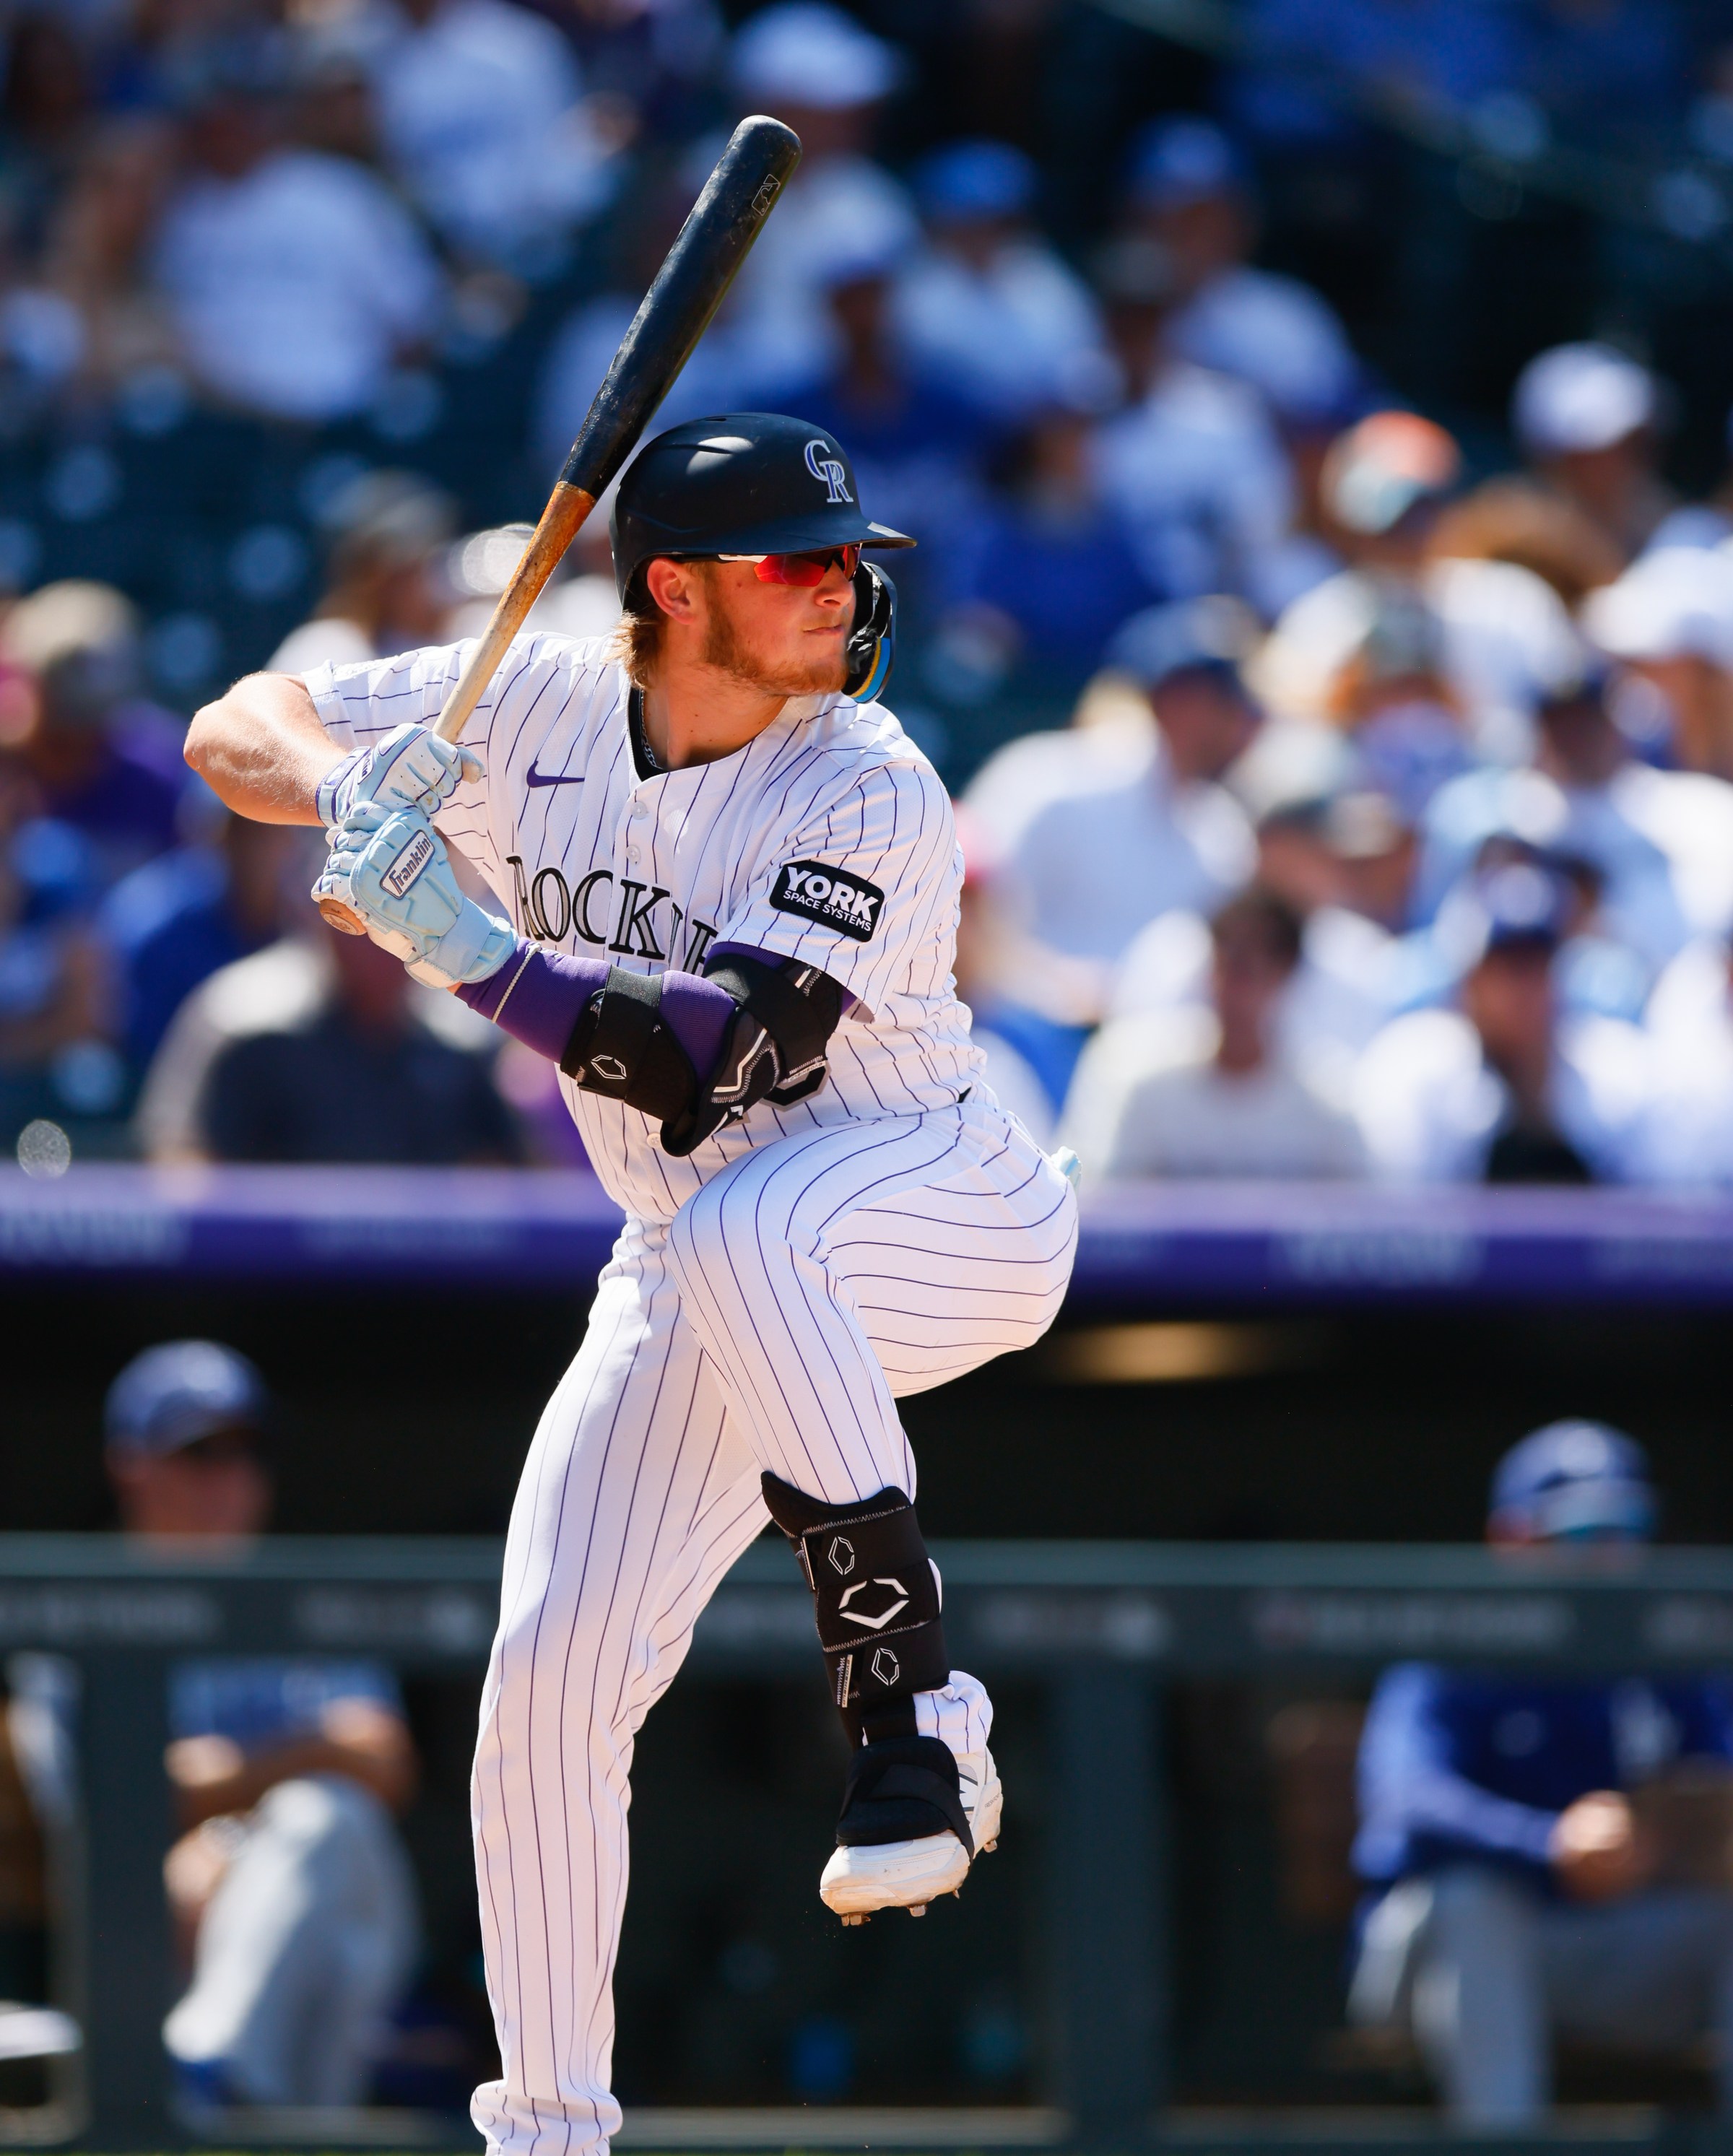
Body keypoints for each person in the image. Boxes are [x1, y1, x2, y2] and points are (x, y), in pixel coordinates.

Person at [182, 410, 1080, 2154]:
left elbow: (711, 1065)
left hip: (941, 1202)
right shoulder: (526, 700)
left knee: (751, 1221)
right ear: (671, 588)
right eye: (795, 567)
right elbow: (233, 721)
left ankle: (911, 1707)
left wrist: (464, 944)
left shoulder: (868, 775)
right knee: (546, 1681)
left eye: (846, 564)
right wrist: (346, 780)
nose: (839, 592)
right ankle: (548, 2134)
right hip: (695, 1251)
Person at [1350, 1422, 1733, 2127]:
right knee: (1474, 1900)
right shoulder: (1456, 1645)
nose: (1610, 1553)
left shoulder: (1666, 1651)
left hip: (1613, 1953)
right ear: (1512, 1539)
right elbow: (1404, 1803)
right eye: (1583, 1531)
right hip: (1446, 1960)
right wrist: (1550, 1841)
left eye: (1628, 1527)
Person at [104, 1341, 420, 2109]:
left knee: (327, 1823)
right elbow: (101, 1808)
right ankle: (241, 2084)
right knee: (314, 1818)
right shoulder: (90, 1604)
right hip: (148, 1949)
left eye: (248, 1451)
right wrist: (302, 1756)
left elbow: (384, 1761)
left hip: (320, 1917)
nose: (229, 1477)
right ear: (131, 1466)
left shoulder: (297, 1602)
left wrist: (229, 1820)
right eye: (200, 1452)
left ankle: (214, 2064)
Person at [971, 597, 1261, 1088]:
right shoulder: (1048, 781)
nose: (1242, 726)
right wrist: (1057, 984)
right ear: (1177, 702)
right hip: (1024, 1040)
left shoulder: (1223, 833)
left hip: (1156, 1057)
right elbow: (966, 924)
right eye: (1223, 704)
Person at [150, 32, 443, 424]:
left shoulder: (339, 193)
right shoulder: (176, 210)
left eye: (240, 109)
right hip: (216, 425)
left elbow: (413, 317)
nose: (227, 124)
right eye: (214, 113)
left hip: (341, 420)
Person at [134, 916, 524, 1165]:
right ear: (330, 925)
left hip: (430, 1286)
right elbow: (184, 1167)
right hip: (272, 1283)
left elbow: (511, 1181)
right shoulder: (246, 1026)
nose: (389, 945)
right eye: (371, 924)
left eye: (406, 926)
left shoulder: (462, 1044)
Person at [1353, 861, 1651, 1184]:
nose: (1523, 989)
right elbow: (1401, 1211)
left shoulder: (1613, 1068)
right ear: (1469, 981)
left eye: (1536, 965)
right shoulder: (1416, 1066)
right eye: (1506, 968)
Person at [1060, 884, 1366, 1180]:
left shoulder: (1329, 1106)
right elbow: (1107, 1211)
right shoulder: (1144, 1087)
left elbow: (1362, 1218)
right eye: (1227, 965)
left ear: (1285, 977)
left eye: (1252, 971)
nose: (1235, 991)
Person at [1119, 116, 1360, 427]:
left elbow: (1324, 435)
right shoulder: (1112, 315)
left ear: (1242, 221)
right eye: (1168, 218)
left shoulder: (1287, 318)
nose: (1189, 237)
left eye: (1205, 218)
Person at [367, 0, 623, 271]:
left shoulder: (516, 45)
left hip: (532, 252)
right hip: (431, 259)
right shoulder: (376, 51)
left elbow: (557, 159)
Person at [890, 139, 1105, 422]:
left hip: (1033, 434)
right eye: (970, 220)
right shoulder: (916, 287)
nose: (983, 233)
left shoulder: (1041, 275)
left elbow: (1080, 363)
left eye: (997, 220)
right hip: (942, 436)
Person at [0, 580, 188, 883]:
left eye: (84, 729)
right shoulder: (9, 772)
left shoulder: (165, 773)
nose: (71, 747)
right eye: (57, 729)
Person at [266, 471, 459, 677]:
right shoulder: (326, 649)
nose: (430, 570)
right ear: (371, 575)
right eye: (411, 564)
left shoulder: (475, 627)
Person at [1510, 344, 1675, 566]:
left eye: (1638, 441)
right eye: (1612, 446)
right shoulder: (1508, 552)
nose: (1635, 460)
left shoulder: (1670, 531)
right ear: (1555, 460)